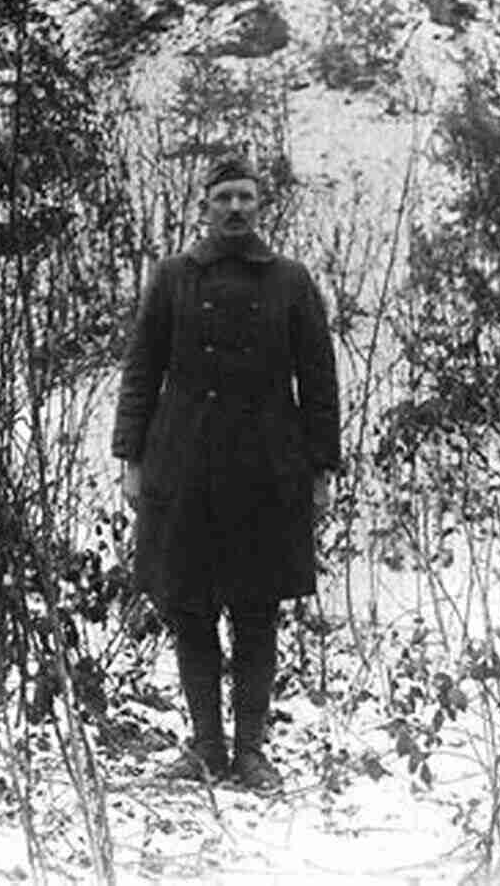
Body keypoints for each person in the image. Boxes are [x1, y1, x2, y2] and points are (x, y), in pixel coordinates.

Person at [111, 153, 340, 790]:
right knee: (189, 608)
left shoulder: (291, 282)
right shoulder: (174, 278)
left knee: (256, 610)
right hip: (184, 463)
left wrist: (321, 468)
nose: (235, 208)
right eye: (224, 199)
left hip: (267, 469)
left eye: (246, 197)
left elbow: (319, 381)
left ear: (260, 206)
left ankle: (251, 753)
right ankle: (206, 748)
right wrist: (131, 459)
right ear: (204, 207)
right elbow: (141, 371)